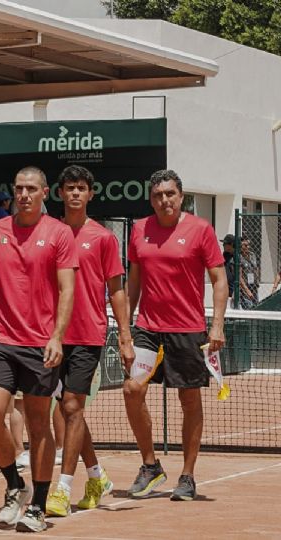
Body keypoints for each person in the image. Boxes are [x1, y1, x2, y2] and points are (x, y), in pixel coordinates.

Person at [0, 166, 78, 533]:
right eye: (18, 188)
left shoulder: (59, 233)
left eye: (31, 188)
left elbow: (67, 290)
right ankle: (15, 484)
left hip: (40, 344)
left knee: (37, 423)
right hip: (0, 340)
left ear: (45, 192)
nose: (24, 194)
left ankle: (38, 506)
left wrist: (57, 336)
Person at [123, 169, 227, 502]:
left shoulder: (201, 230)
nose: (164, 200)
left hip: (189, 330)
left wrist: (218, 325)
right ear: (151, 199)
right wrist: (125, 328)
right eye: (157, 195)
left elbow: (219, 279)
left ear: (181, 197)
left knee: (189, 401)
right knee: (131, 389)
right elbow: (134, 282)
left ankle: (187, 476)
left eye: (170, 194)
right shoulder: (139, 230)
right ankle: (150, 466)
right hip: (148, 330)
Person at [45, 165, 133, 517]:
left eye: (82, 188)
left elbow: (116, 290)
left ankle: (62, 489)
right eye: (70, 188)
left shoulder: (103, 238)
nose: (76, 193)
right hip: (50, 337)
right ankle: (96, 475)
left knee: (70, 408)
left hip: (88, 335)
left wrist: (125, 336)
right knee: (64, 412)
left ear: (91, 194)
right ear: (61, 193)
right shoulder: (49, 233)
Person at [237, 236, 259, 309]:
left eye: (249, 245)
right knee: (249, 307)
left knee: (257, 307)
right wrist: (247, 290)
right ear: (240, 246)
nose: (248, 247)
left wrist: (257, 282)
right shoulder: (239, 257)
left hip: (254, 287)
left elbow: (256, 268)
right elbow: (239, 276)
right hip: (245, 288)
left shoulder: (252, 255)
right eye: (245, 245)